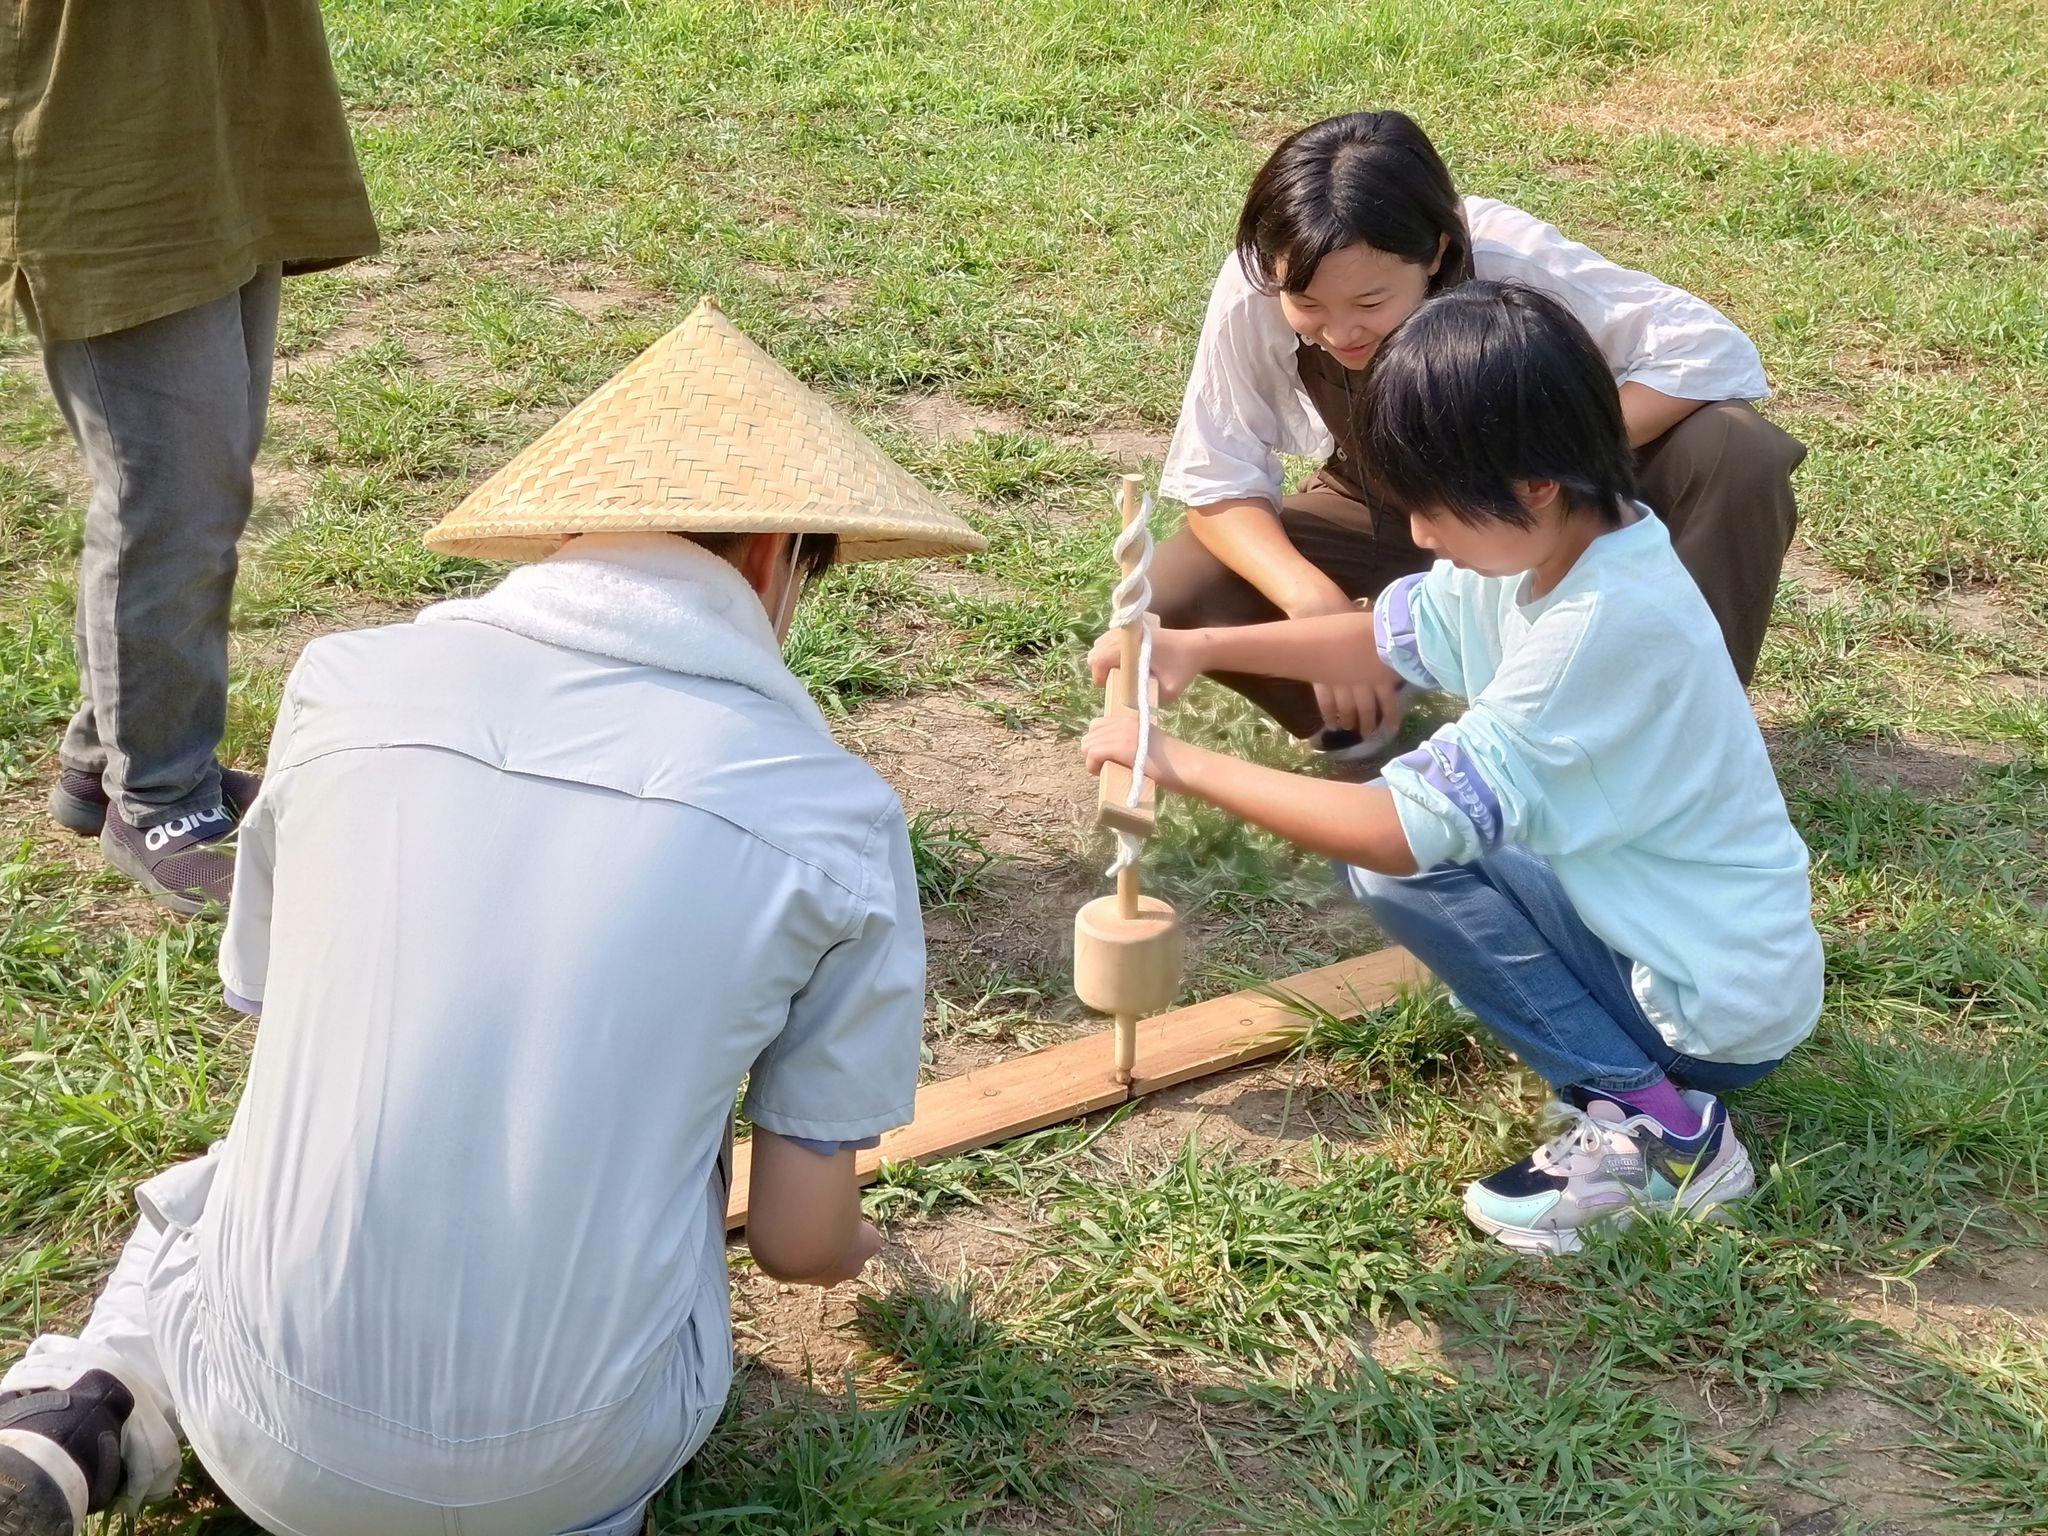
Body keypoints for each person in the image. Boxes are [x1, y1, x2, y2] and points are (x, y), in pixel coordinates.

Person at [0, 302, 986, 1535]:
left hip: (269, 1433)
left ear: (565, 531)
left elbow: (279, 1025)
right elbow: (797, 1243)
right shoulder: (832, 813)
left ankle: (78, 1405)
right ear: (779, 556)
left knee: (222, 1182)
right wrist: (850, 1251)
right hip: (568, 1470)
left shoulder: (344, 686)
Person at [1085, 282, 1822, 1255]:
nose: (1420, 539)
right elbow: (1381, 641)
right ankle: (1645, 1094)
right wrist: (1197, 645)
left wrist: (1168, 760)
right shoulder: (1551, 549)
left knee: (1401, 859)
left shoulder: (1598, 631)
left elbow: (1395, 830)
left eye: (1431, 513)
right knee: (1423, 854)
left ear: (1531, 487)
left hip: (1711, 1007)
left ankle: (1668, 1133)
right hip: (1672, 934)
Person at [1152, 109, 1805, 757]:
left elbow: (1709, 350)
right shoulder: (1261, 278)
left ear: (1437, 250)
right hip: (1390, 501)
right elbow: (1217, 478)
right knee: (1177, 586)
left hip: (1546, 499)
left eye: (1371, 303)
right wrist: (1312, 601)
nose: (1341, 332)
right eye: (1310, 308)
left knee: (1734, 448)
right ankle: (1369, 717)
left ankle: (1670, 738)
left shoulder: (1505, 254)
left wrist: (1536, 457)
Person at [1, 3, 380, 913]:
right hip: (107, 129)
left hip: (212, 107)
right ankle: (160, 800)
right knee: (170, 493)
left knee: (203, 479)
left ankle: (104, 762)